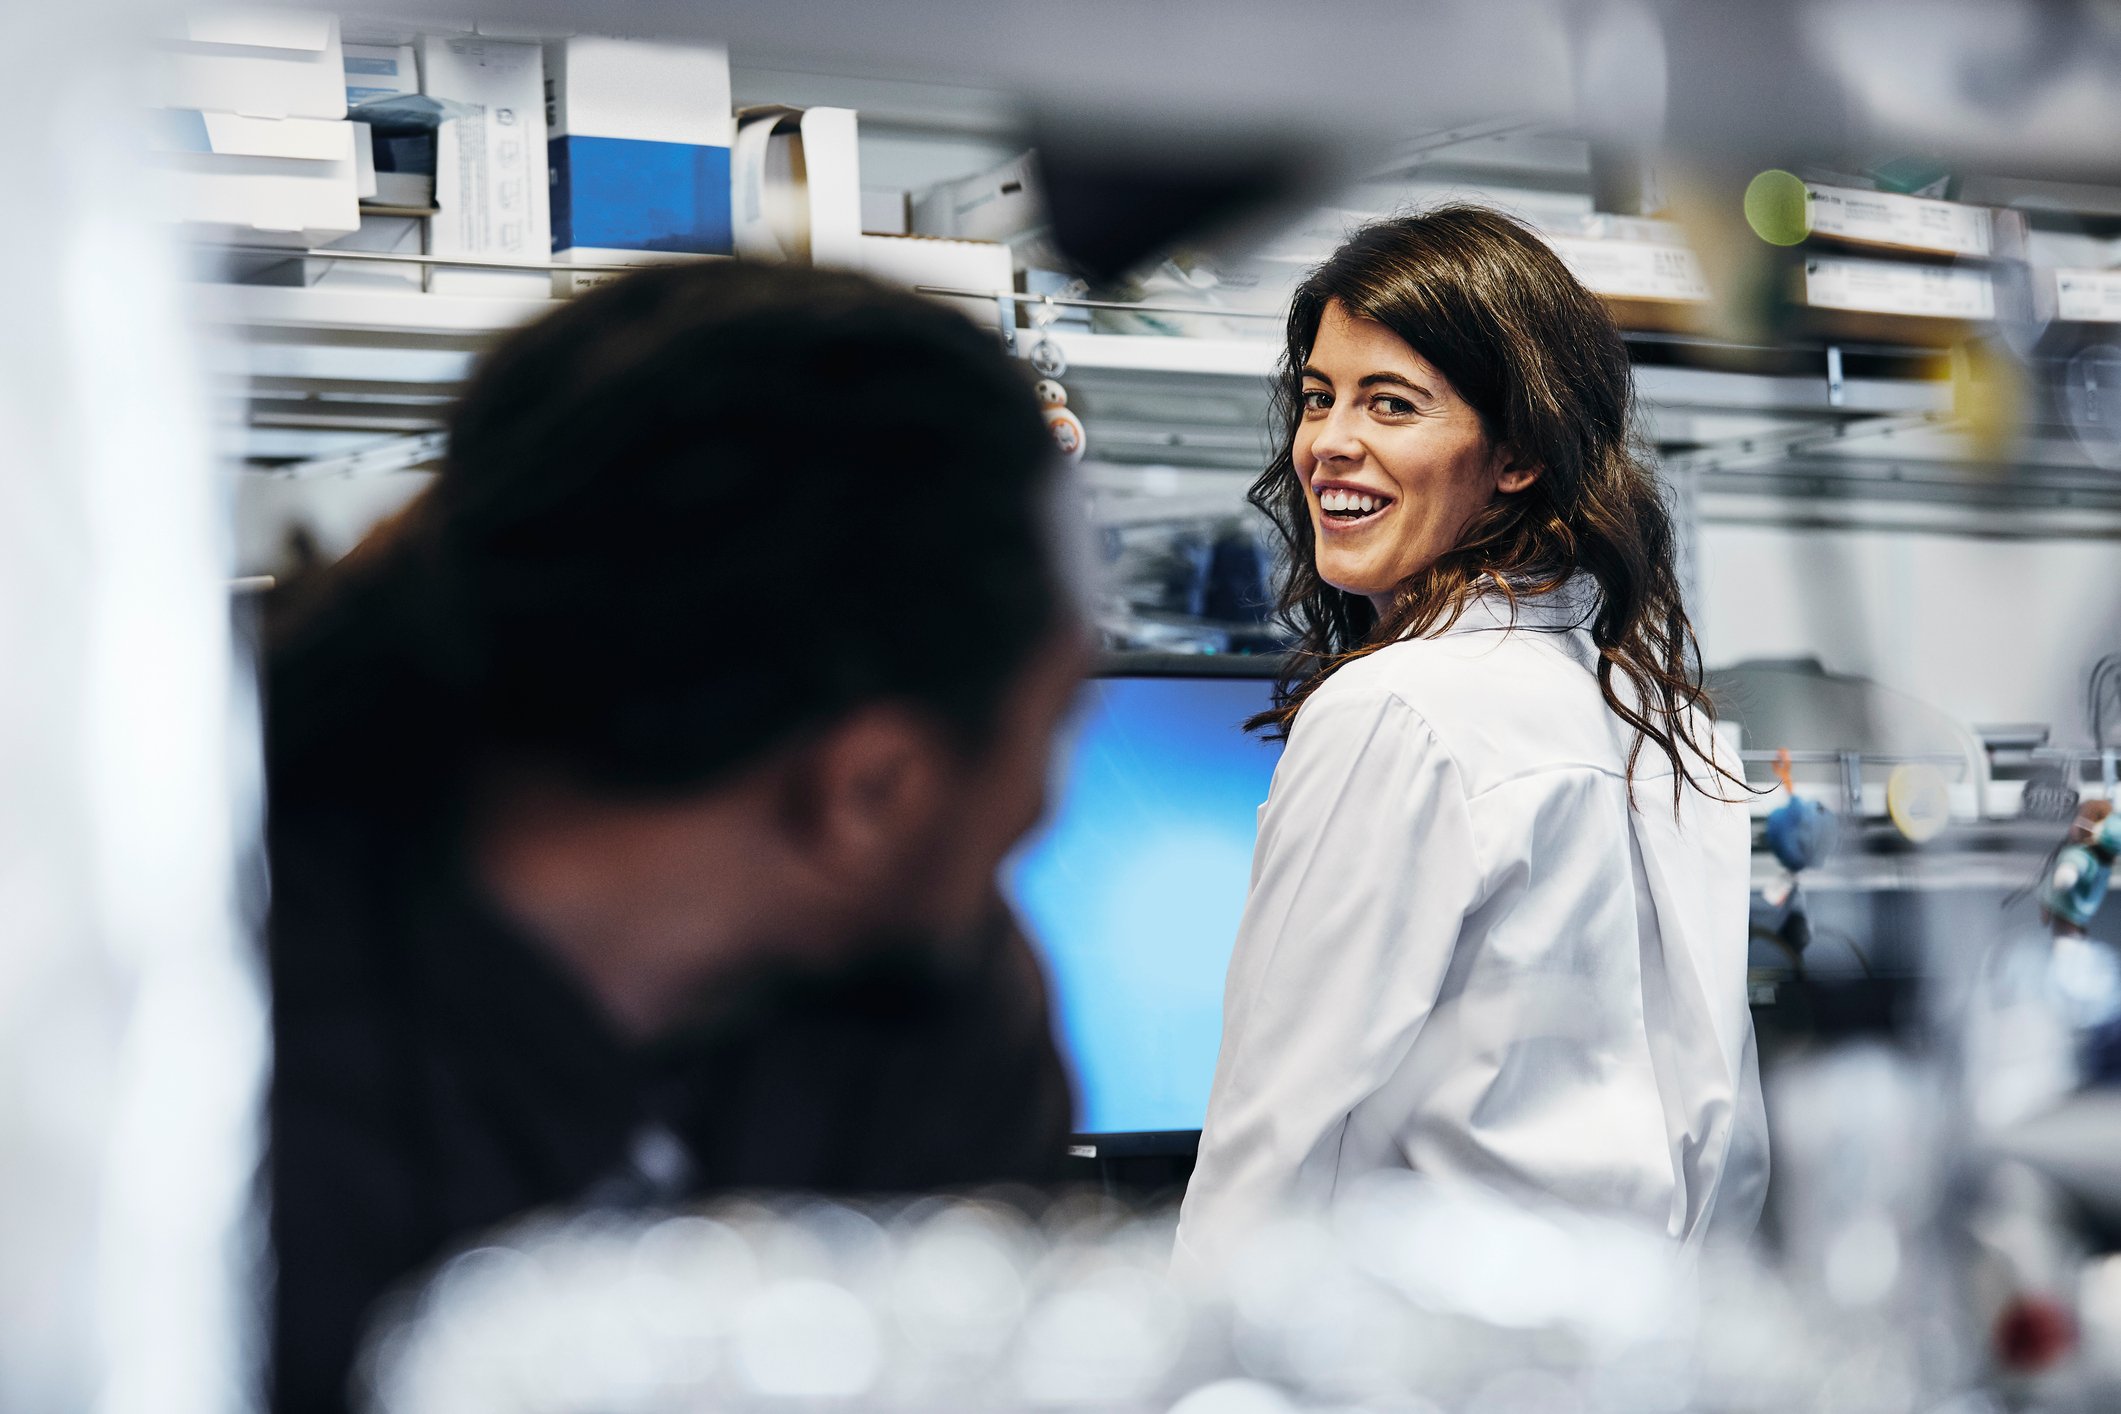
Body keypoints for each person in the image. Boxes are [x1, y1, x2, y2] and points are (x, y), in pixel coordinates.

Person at [264, 262, 1087, 1412]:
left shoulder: (936, 1018)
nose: (1044, 804)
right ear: (866, 790)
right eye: (1058, 723)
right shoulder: (210, 1073)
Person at [1176, 207, 1768, 1269]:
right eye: (1319, 398)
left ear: (1518, 455)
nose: (1328, 445)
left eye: (1391, 404)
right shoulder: (1663, 715)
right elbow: (1729, 1138)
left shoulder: (1395, 711)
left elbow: (1268, 1146)